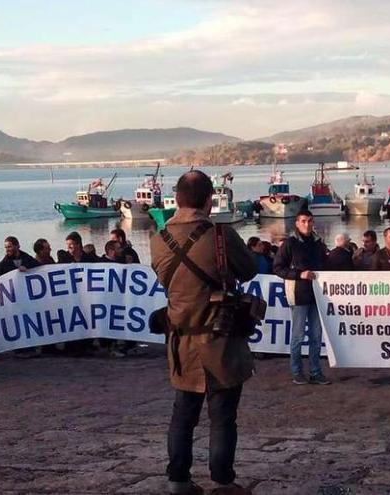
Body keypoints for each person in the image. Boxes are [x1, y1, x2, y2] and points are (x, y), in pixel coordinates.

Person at [150, 170, 258, 495]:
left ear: (178, 199)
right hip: (219, 340)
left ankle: (178, 481)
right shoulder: (220, 237)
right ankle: (223, 482)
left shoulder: (158, 240)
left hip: (181, 342)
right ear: (209, 200)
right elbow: (250, 269)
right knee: (223, 416)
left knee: (183, 414)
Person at [273, 210, 330, 386]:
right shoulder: (290, 244)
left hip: (317, 295)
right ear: (297, 223)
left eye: (310, 221)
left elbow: (325, 266)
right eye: (303, 221)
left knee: (316, 335)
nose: (307, 224)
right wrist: (299, 274)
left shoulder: (318, 243)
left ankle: (315, 371)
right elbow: (278, 268)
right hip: (297, 295)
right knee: (298, 336)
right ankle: (297, 371)